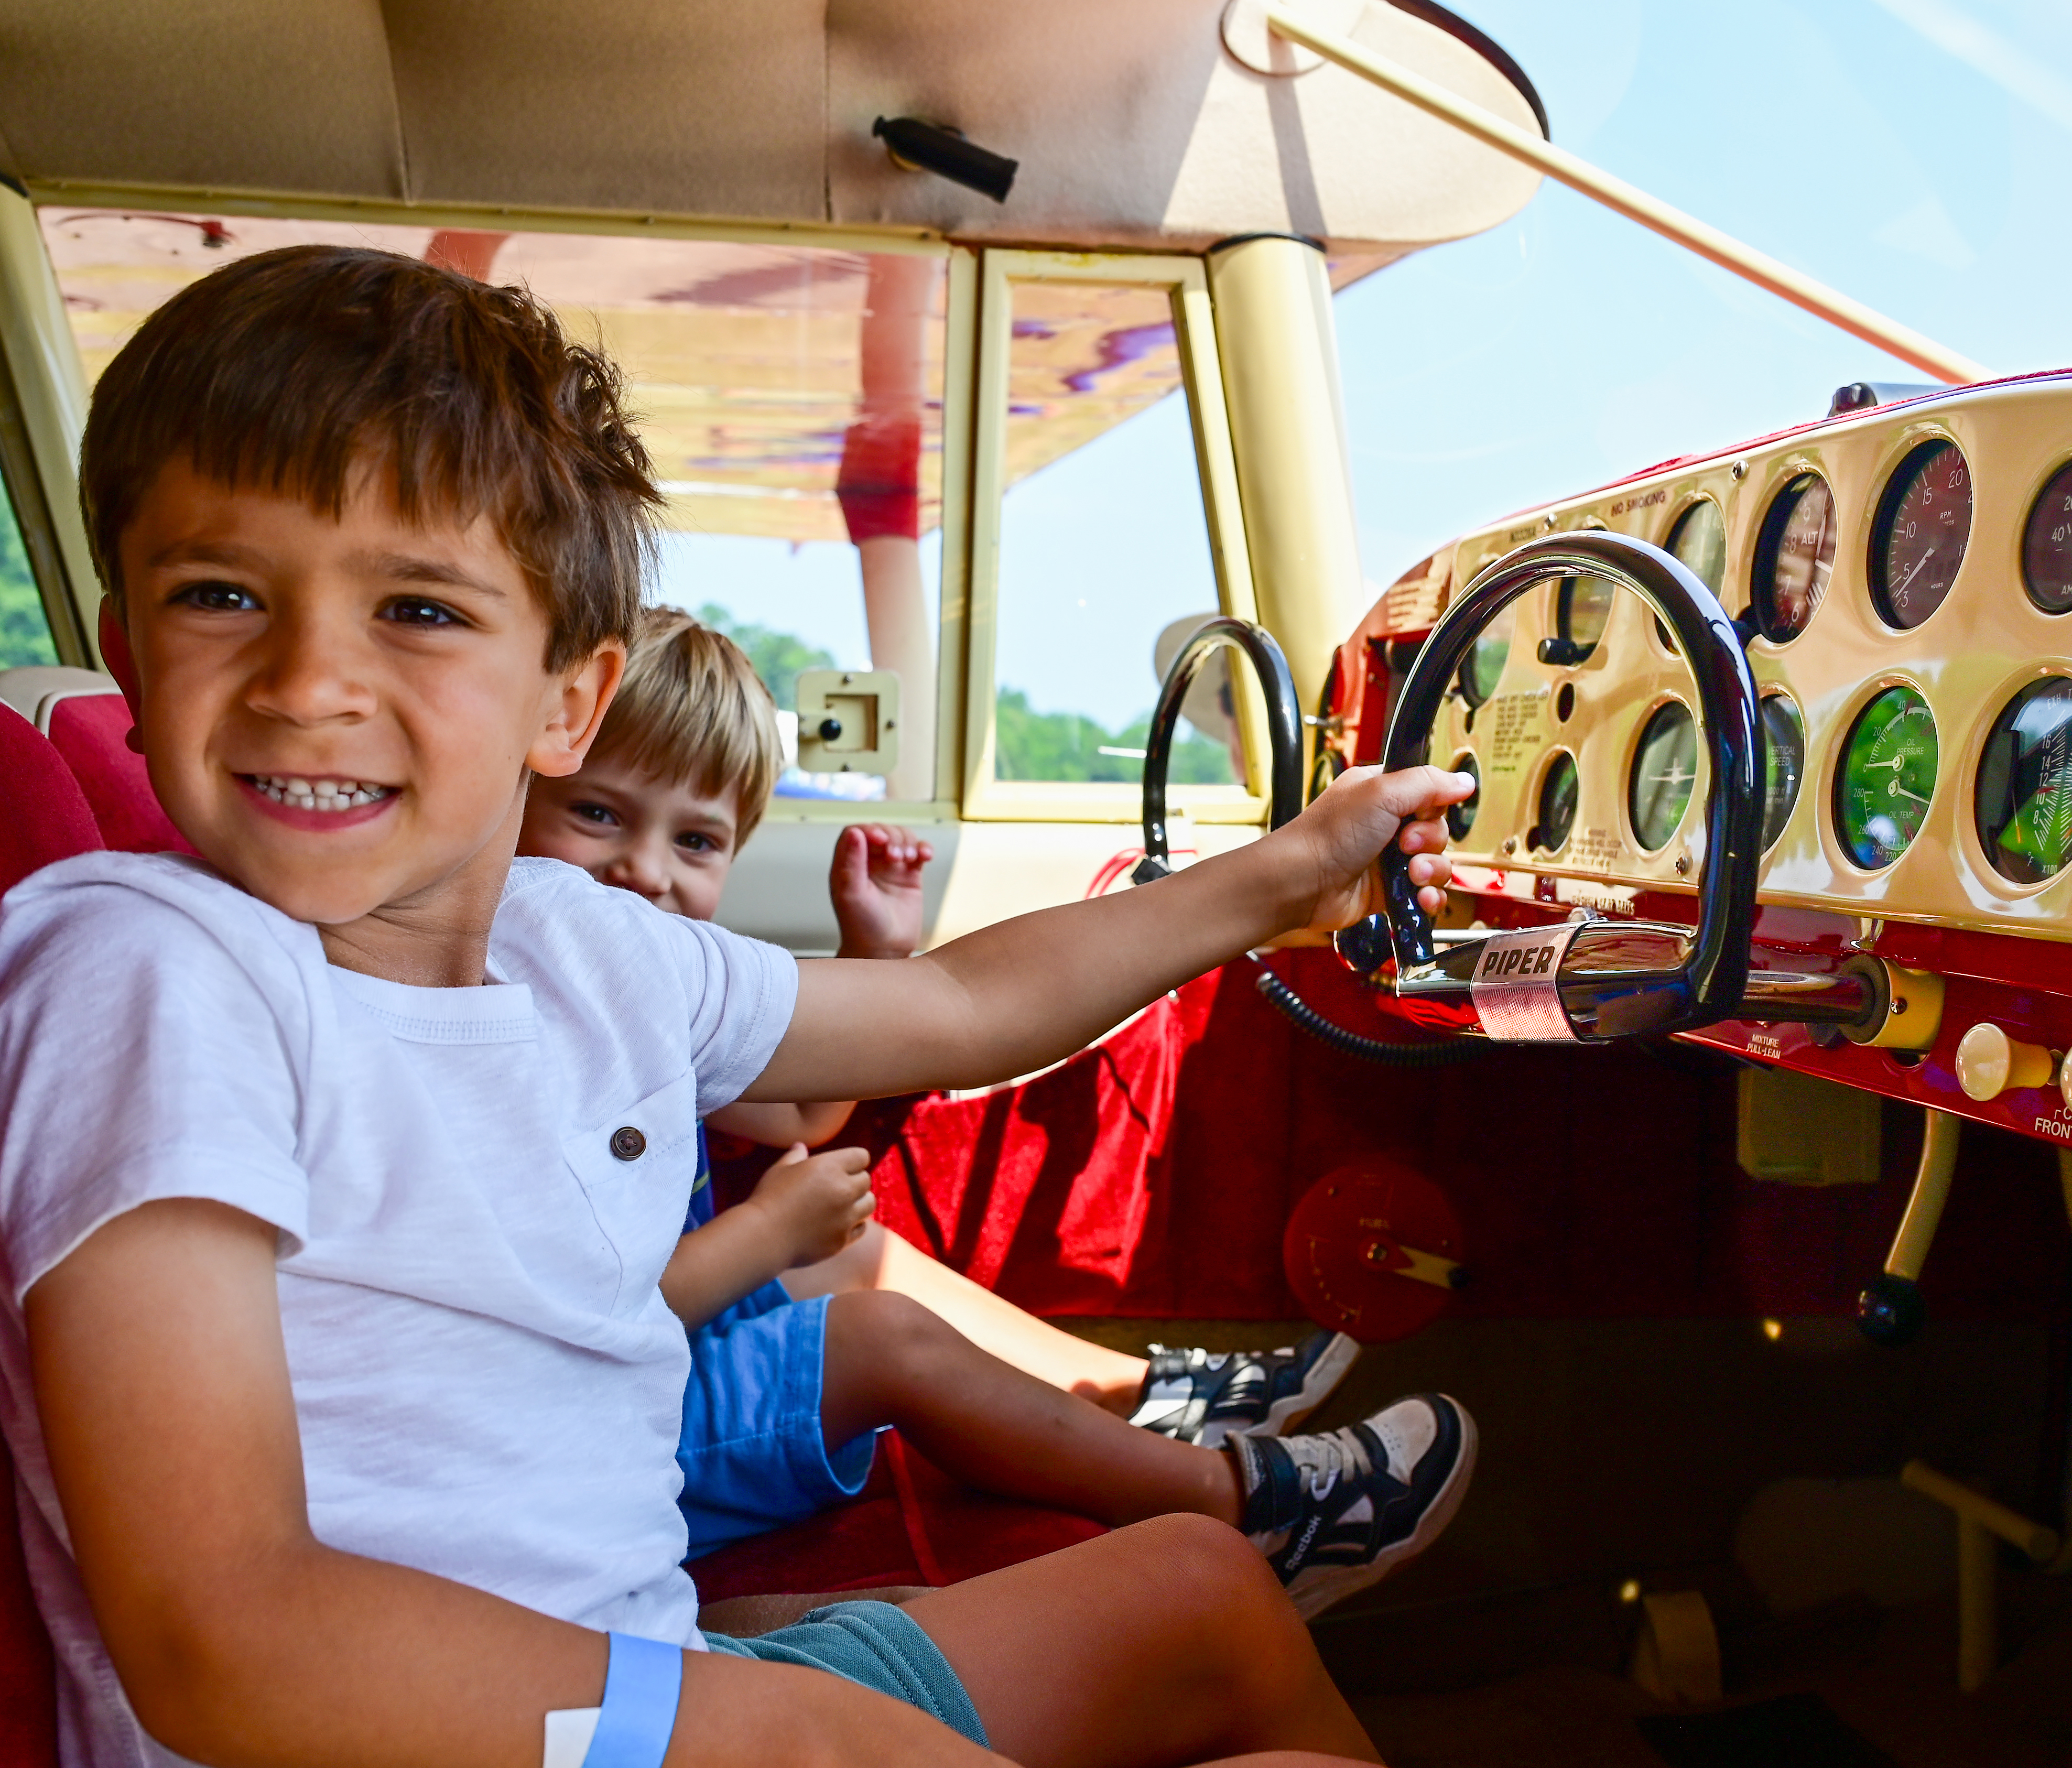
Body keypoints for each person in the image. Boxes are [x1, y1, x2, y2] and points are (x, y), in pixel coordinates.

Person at [0, 245, 1664, 1768]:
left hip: (611, 1767)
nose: (308, 680)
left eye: (417, 611)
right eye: (223, 593)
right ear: (131, 646)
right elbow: (231, 1635)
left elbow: (955, 1015)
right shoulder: (147, 973)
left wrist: (1279, 881)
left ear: (564, 699)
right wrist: (827, 1761)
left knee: (1201, 1594)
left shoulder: (575, 949)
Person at [516, 606, 1469, 1615]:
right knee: (874, 1336)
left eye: (695, 840)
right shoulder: (519, 1041)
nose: (643, 871)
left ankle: (1151, 1402)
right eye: (597, 816)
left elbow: (801, 1118)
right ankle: (1248, 1511)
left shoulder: (645, 992)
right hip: (589, 1421)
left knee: (851, 1252)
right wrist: (761, 1235)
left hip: (642, 1361)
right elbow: (583, 1327)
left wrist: (875, 953)